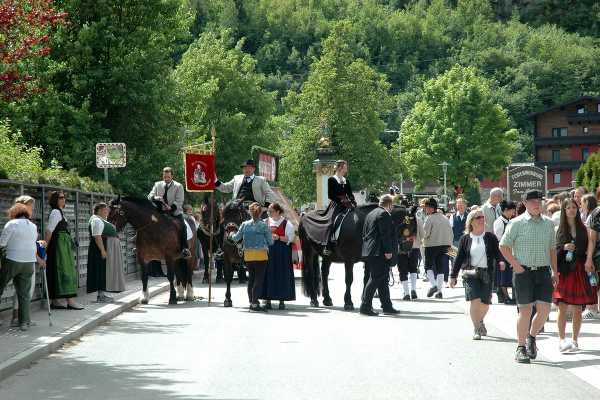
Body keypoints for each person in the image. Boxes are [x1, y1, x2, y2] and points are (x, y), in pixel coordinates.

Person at [500, 189, 558, 364]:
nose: (536, 204)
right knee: (525, 311)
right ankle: (520, 347)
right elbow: (503, 246)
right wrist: (516, 265)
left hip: (543, 271)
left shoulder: (548, 224)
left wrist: (555, 271)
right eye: (532, 201)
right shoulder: (516, 223)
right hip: (523, 272)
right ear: (524, 203)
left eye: (538, 201)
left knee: (545, 310)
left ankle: (531, 337)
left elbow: (552, 249)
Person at [450, 208, 503, 340]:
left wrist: (501, 261)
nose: (481, 220)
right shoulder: (465, 239)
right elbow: (459, 258)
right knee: (475, 300)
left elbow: (497, 253)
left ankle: (479, 321)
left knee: (485, 303)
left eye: (482, 217)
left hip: (487, 273)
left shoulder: (490, 237)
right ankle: (476, 328)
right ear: (471, 222)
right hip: (470, 273)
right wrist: (453, 276)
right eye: (478, 218)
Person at [554, 198, 597, 352]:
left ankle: (574, 340)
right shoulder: (559, 229)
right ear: (563, 211)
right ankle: (561, 339)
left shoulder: (584, 228)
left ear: (578, 210)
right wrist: (564, 247)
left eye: (574, 207)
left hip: (579, 269)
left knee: (578, 308)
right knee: (563, 307)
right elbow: (553, 253)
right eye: (568, 208)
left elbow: (590, 247)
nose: (571, 210)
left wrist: (589, 260)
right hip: (565, 272)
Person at [0, 204, 39, 330]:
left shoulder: (12, 224)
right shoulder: (33, 226)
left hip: (13, 260)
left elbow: (2, 243)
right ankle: (24, 323)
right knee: (24, 294)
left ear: (14, 213)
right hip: (29, 262)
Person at [360, 194, 399, 316]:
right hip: (380, 252)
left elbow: (365, 233)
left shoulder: (371, 214)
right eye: (392, 205)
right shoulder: (384, 214)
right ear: (389, 204)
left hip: (372, 251)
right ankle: (365, 306)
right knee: (376, 278)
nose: (392, 207)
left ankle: (387, 306)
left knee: (382, 280)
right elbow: (385, 235)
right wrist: (388, 251)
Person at [229, 202, 273, 312]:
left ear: (250, 212)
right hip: (261, 255)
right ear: (260, 213)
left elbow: (235, 238)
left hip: (248, 255)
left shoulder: (244, 224)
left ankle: (252, 302)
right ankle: (254, 303)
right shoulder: (263, 225)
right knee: (259, 279)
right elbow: (271, 242)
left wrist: (230, 234)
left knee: (251, 279)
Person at [9, 196, 45, 327]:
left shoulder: (29, 224)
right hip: (20, 260)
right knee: (23, 290)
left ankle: (23, 318)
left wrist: (39, 253)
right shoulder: (16, 223)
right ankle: (16, 318)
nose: (32, 210)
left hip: (29, 259)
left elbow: (31, 244)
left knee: (26, 290)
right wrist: (38, 258)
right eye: (31, 207)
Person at [45, 191, 83, 310]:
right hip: (58, 246)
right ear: (55, 200)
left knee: (62, 271)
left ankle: (56, 301)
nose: (64, 199)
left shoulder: (60, 212)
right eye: (61, 197)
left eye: (64, 197)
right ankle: (70, 301)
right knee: (64, 270)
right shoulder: (55, 212)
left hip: (63, 245)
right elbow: (49, 231)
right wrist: (44, 248)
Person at [148, 167, 190, 259]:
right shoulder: (157, 184)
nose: (166, 179)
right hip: (160, 212)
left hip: (174, 212)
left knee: (183, 226)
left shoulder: (178, 186)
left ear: (172, 176)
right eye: (164, 177)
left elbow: (179, 201)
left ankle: (185, 248)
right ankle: (144, 244)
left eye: (168, 177)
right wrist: (155, 198)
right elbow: (150, 195)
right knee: (147, 222)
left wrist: (171, 208)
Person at [86, 202, 125, 302]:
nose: (108, 211)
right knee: (101, 270)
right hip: (100, 249)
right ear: (99, 210)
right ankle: (101, 296)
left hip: (104, 247)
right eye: (105, 209)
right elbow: (97, 236)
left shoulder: (100, 220)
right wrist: (103, 250)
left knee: (103, 270)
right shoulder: (96, 220)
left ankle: (102, 295)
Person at [261, 203, 296, 310]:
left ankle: (282, 300)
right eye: (268, 211)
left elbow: (291, 238)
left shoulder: (287, 223)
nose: (268, 213)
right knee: (268, 274)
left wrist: (279, 237)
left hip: (282, 253)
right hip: (268, 252)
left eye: (270, 211)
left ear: (277, 211)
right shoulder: (265, 222)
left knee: (282, 275)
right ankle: (267, 300)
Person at [324, 160, 357, 254]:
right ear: (339, 168)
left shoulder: (346, 180)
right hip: (336, 205)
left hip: (347, 204)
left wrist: (353, 201)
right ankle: (328, 245)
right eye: (345, 167)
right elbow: (331, 195)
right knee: (331, 222)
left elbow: (350, 194)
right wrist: (341, 201)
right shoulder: (331, 179)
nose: (346, 169)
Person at [423, 197, 453, 299]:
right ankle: (439, 292)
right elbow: (451, 233)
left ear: (431, 208)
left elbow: (425, 234)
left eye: (426, 207)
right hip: (445, 245)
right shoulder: (445, 218)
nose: (425, 209)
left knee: (428, 267)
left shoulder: (429, 218)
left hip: (431, 245)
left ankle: (434, 285)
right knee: (441, 268)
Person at [493, 200, 517, 304]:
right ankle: (505, 297)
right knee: (503, 274)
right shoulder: (499, 222)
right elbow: (499, 238)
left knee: (508, 274)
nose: (513, 212)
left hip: (510, 250)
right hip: (502, 250)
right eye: (512, 210)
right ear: (506, 210)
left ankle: (510, 297)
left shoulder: (509, 220)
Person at [398, 210, 423, 300]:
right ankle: (413, 289)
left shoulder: (399, 219)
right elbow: (423, 234)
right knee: (413, 269)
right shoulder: (418, 219)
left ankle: (406, 292)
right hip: (414, 247)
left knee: (403, 270)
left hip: (401, 248)